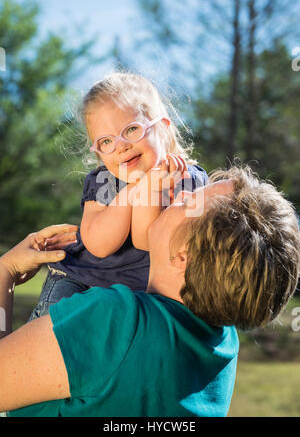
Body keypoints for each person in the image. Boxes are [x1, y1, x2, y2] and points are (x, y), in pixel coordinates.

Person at [0, 166, 299, 417]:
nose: (180, 194)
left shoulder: (117, 322)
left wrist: (6, 273)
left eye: (189, 203)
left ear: (185, 254)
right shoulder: (223, 343)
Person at [30, 72, 208, 320]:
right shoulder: (104, 181)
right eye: (106, 141)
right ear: (98, 151)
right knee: (47, 345)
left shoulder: (189, 180)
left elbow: (147, 241)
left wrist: (151, 187)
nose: (121, 146)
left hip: (140, 297)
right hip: (81, 283)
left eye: (132, 129)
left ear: (163, 129)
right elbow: (99, 245)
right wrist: (136, 189)